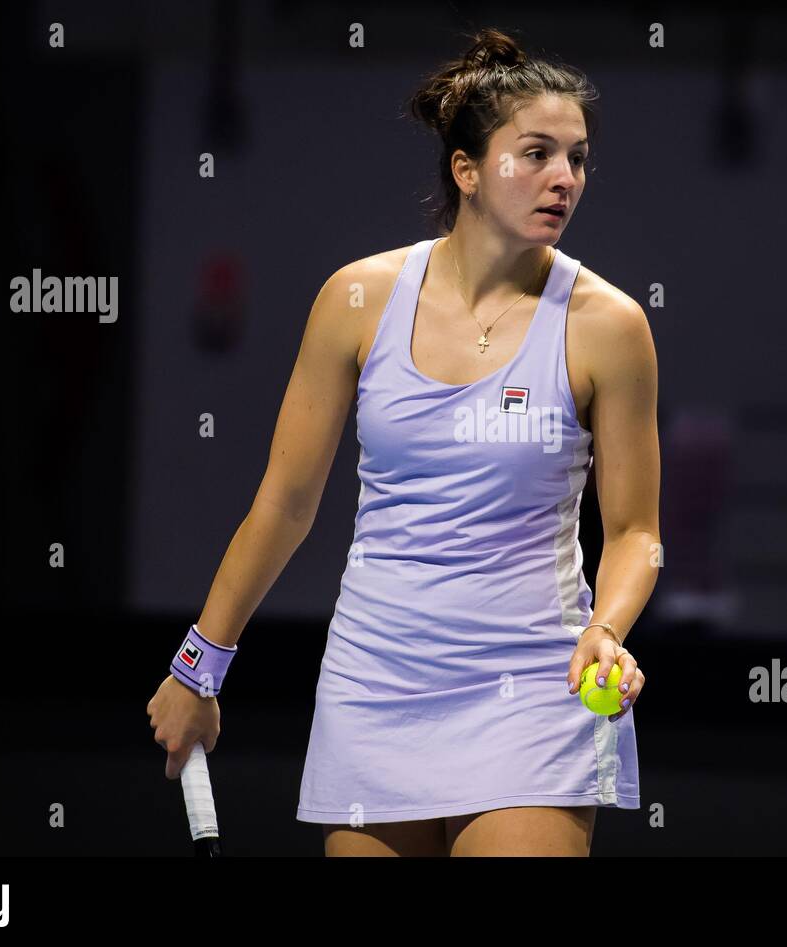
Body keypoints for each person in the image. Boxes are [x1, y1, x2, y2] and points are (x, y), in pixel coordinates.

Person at [146, 27, 661, 856]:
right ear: (466, 170)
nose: (564, 178)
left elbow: (636, 531)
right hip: (375, 685)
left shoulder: (611, 327)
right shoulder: (357, 299)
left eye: (578, 157)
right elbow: (284, 504)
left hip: (534, 684)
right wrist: (198, 668)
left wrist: (607, 627)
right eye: (535, 153)